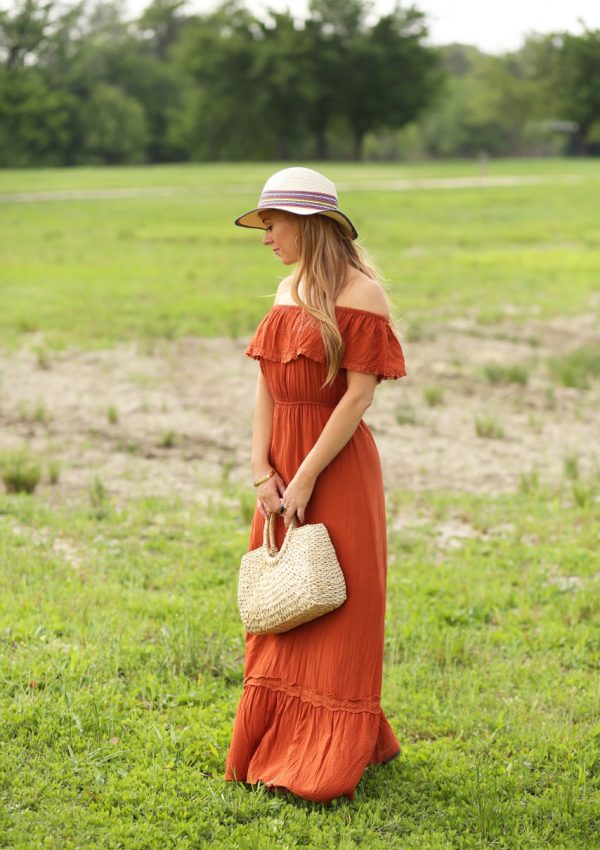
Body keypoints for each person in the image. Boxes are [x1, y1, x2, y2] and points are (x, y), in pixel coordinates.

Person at [224, 167, 407, 803]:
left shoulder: (362, 295)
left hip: (335, 468)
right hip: (278, 469)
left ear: (310, 224)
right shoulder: (284, 288)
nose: (266, 235)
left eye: (273, 224)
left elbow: (358, 396)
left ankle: (330, 750)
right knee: (281, 604)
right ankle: (276, 739)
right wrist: (260, 470)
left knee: (340, 606)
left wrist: (304, 478)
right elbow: (265, 385)